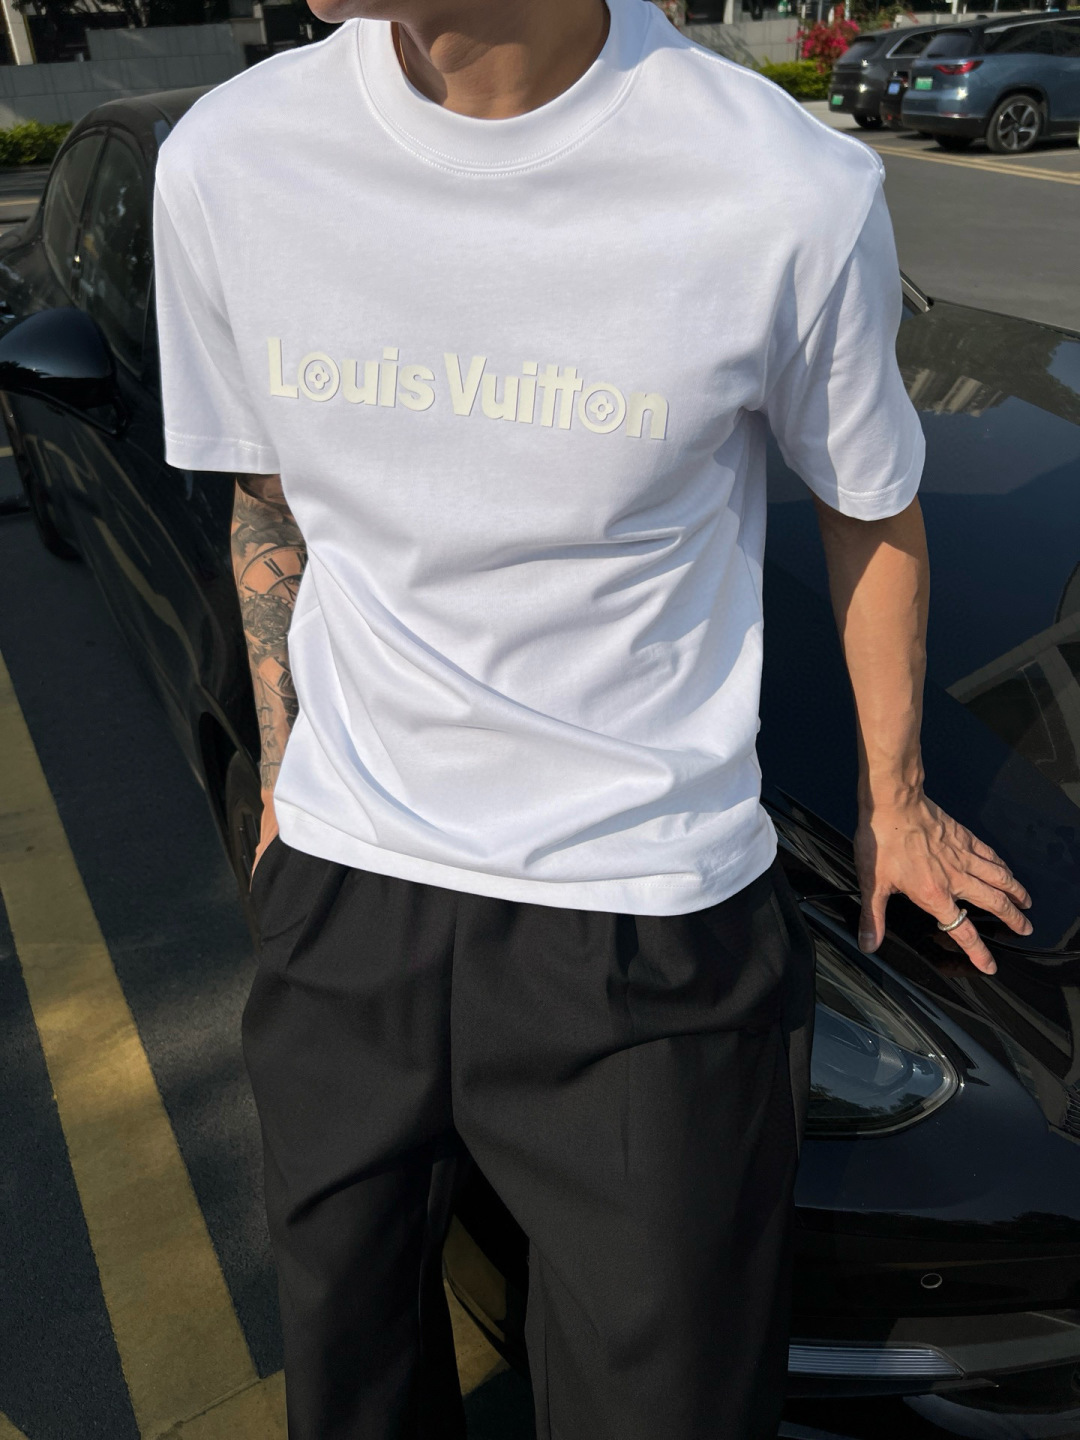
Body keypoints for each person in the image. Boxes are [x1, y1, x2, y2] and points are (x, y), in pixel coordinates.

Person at [151, 1, 1034, 1435]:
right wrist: (284, 773)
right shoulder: (232, 158)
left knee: (663, 1409)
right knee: (348, 1390)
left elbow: (870, 506)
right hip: (346, 894)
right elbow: (270, 502)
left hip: (643, 921)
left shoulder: (780, 185)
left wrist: (898, 796)